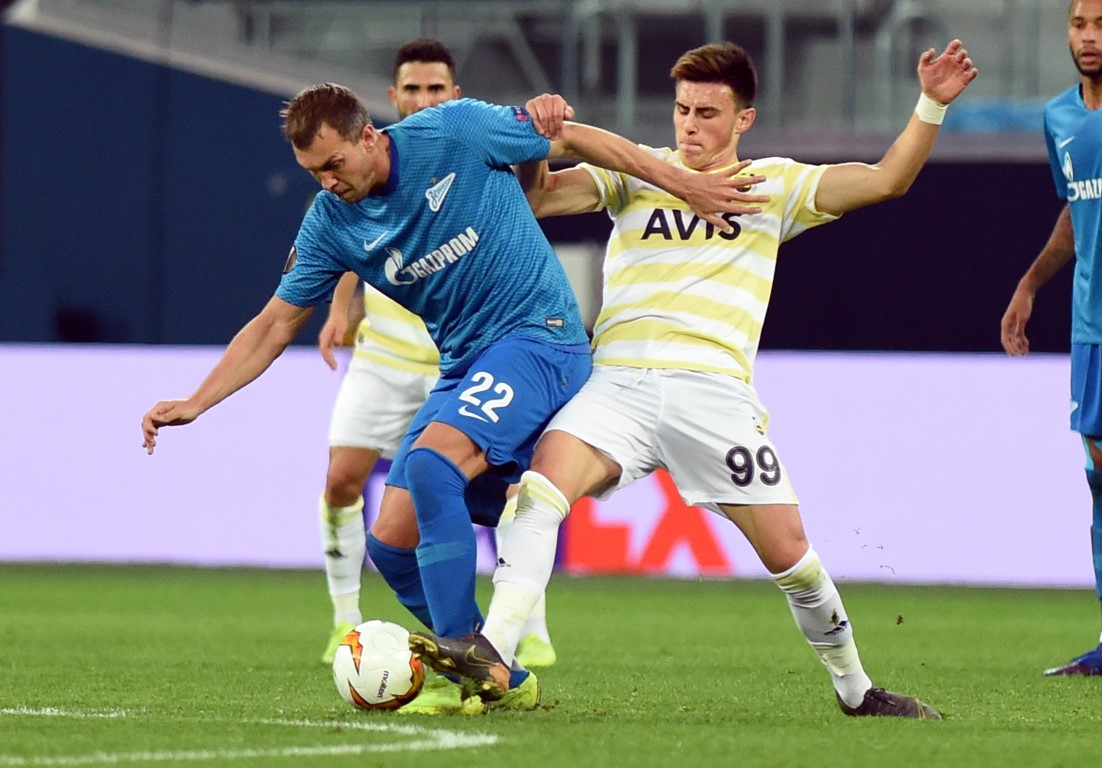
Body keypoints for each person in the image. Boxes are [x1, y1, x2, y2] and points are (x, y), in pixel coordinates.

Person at [141, 80, 766, 714]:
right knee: (390, 543)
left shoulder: (453, 132)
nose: (328, 182)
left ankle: (468, 656)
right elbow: (275, 324)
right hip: (465, 365)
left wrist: (681, 184)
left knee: (432, 467)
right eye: (313, 172)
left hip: (539, 337)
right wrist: (197, 401)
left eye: (334, 164)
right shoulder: (331, 222)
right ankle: (501, 674)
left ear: (368, 136)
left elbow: (569, 138)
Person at [409, 39, 978, 719]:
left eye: (708, 113)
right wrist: (537, 142)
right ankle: (493, 655)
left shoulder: (773, 185)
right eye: (682, 109)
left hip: (712, 393)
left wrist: (931, 103)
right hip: (617, 383)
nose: (690, 125)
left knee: (792, 558)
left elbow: (887, 179)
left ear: (744, 119)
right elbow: (535, 199)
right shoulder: (637, 172)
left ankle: (857, 690)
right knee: (537, 494)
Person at [315, 38, 558, 676]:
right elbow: (355, 246)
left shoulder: (460, 141)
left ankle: (520, 629)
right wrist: (341, 308)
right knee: (349, 487)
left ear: (453, 93)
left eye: (435, 89)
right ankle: (346, 615)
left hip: (475, 352)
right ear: (392, 98)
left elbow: (535, 187)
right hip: (388, 358)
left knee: (479, 484)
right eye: (412, 89)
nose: (423, 99)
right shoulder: (354, 179)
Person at [1000, 0, 1102, 678]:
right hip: (1095, 324)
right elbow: (1077, 207)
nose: (1089, 36)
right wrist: (1030, 284)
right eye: (1078, 24)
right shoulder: (1058, 116)